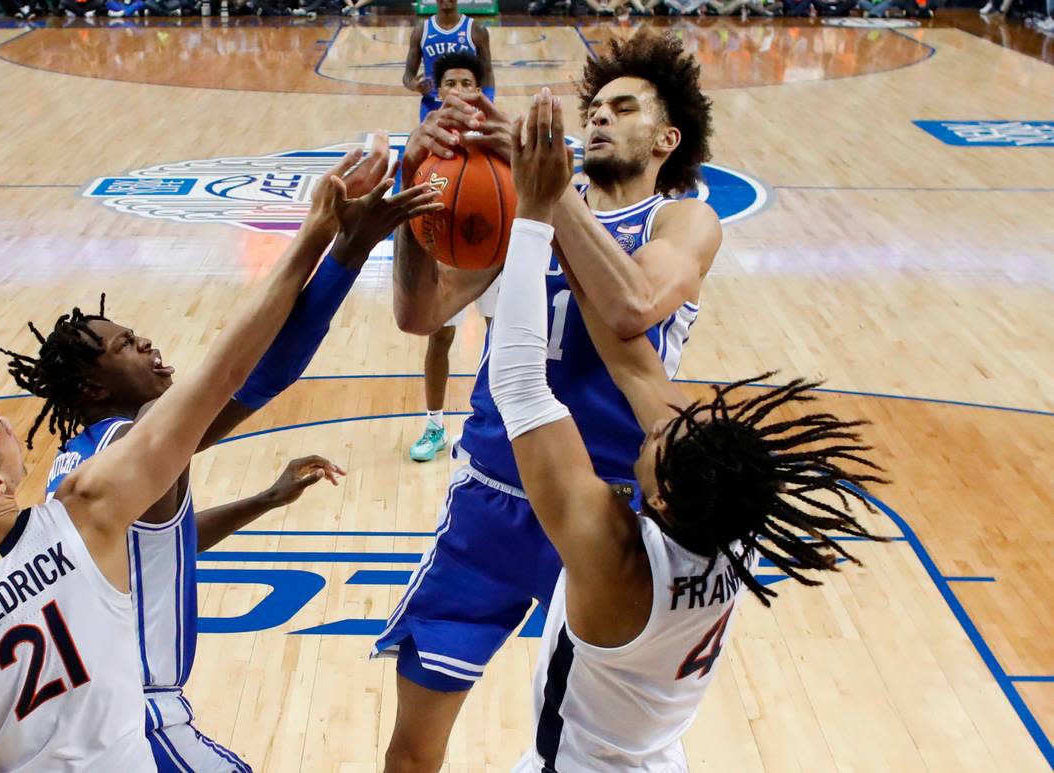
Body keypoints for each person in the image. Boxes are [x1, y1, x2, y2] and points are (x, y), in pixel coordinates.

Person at [0, 151, 440, 772]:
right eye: (124, 346)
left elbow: (155, 554)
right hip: (135, 724)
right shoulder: (113, 466)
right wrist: (342, 251)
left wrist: (263, 502)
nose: (147, 344)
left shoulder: (72, 483)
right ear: (92, 389)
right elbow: (254, 373)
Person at [491, 90, 888, 771]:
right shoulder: (729, 520)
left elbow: (521, 386)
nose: (649, 434)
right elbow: (638, 372)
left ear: (664, 498)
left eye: (650, 446)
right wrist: (569, 214)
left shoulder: (617, 562)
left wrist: (532, 214)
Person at [378, 28, 721, 772]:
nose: (596, 117)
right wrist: (414, 192)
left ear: (666, 138)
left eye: (621, 107)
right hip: (491, 500)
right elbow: (420, 313)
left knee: (593, 742)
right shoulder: (523, 210)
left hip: (604, 514)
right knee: (411, 747)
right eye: (592, 107)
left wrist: (547, 193)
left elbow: (633, 304)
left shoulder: (680, 220)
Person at [407, 52, 500, 464]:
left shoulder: (500, 138)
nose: (459, 90)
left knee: (501, 340)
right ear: (438, 91)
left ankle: (492, 424)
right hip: (447, 258)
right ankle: (434, 424)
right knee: (439, 339)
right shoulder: (427, 147)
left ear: (479, 90)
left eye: (467, 83)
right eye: (451, 84)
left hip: (497, 260)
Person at [402, 0, 493, 125]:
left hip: (467, 105)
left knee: (466, 144)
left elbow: (487, 72)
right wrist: (415, 86)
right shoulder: (421, 31)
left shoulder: (476, 30)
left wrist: (488, 104)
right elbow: (408, 76)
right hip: (432, 106)